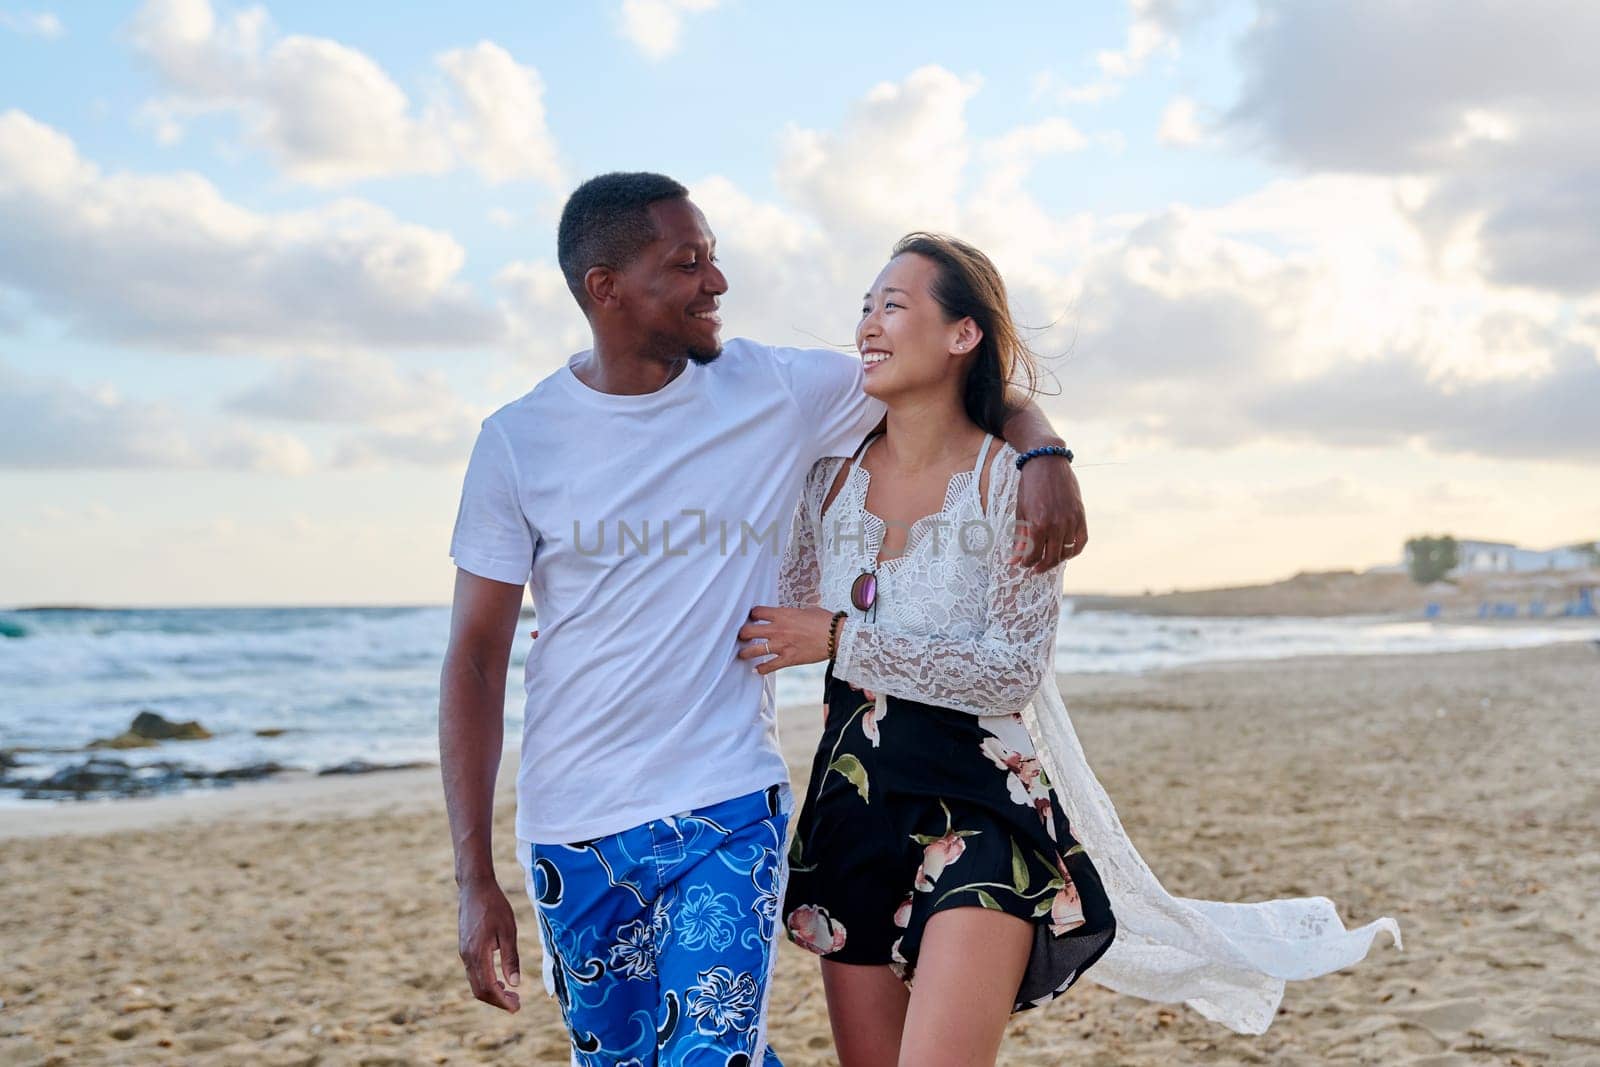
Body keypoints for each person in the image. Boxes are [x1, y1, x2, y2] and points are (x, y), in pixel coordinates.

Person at [438, 174, 1087, 1067]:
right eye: (689, 262)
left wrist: (1043, 448)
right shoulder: (519, 440)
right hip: (571, 818)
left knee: (710, 1055)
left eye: (714, 256)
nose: (718, 281)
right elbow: (475, 659)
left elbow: (953, 378)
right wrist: (473, 874)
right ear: (607, 288)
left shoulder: (774, 390)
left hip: (726, 803)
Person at [741, 233, 1401, 1065]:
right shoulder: (825, 481)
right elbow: (773, 607)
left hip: (982, 810)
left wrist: (841, 638)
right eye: (865, 306)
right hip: (852, 810)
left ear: (962, 335)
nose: (868, 324)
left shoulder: (1013, 484)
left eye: (894, 305)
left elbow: (1010, 669)